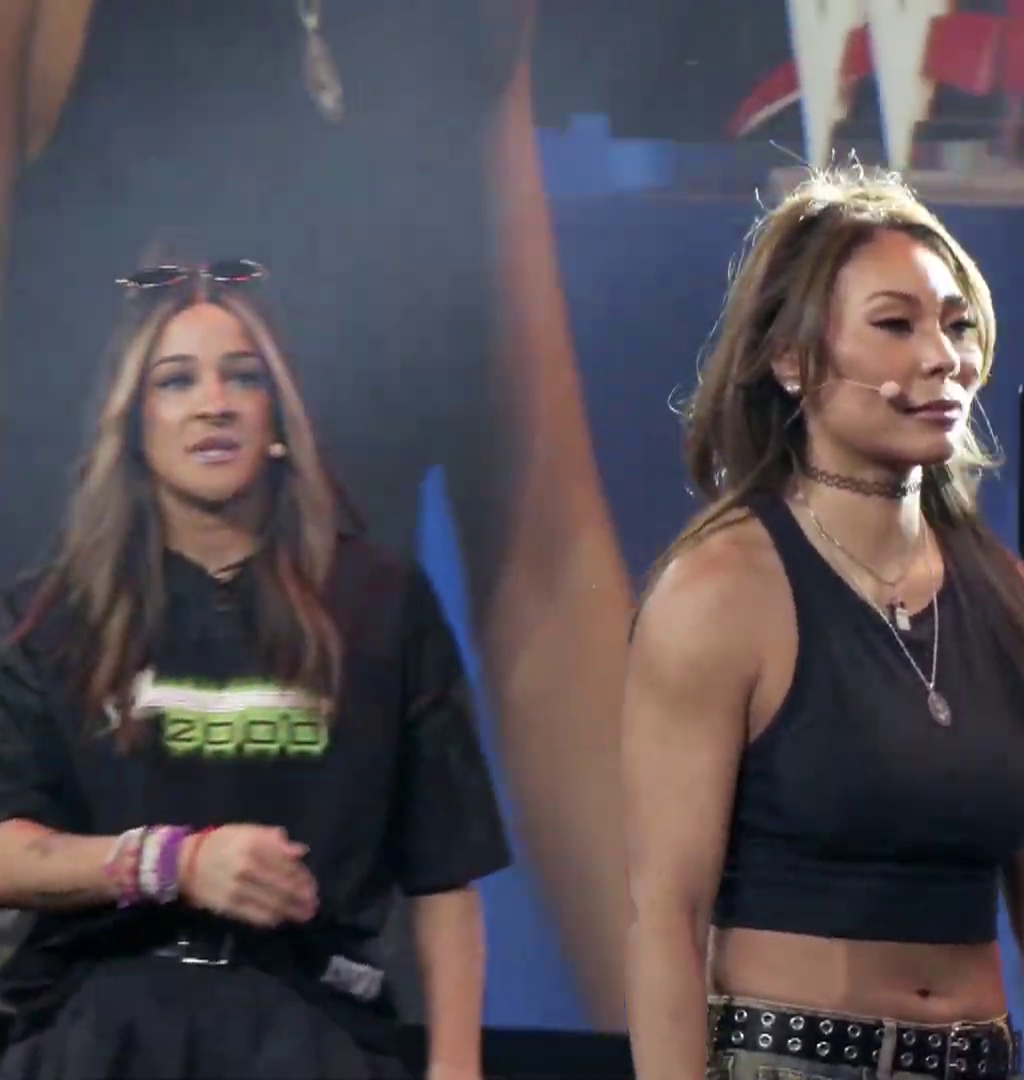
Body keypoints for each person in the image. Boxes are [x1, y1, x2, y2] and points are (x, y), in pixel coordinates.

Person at [0, 0, 631, 1022]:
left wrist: (672, 1035)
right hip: (71, 940)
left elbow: (547, 571)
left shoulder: (474, 28)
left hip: (332, 925)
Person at [621, 170, 1024, 1080]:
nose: (942, 358)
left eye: (957, 324)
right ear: (792, 359)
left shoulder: (1005, 597)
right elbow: (666, 917)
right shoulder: (720, 591)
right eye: (895, 325)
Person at [0, 266, 511, 1079]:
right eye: (177, 381)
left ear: (278, 415)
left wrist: (456, 1069)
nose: (216, 404)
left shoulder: (381, 602)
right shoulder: (51, 616)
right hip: (97, 1030)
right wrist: (177, 864)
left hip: (310, 1026)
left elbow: (446, 876)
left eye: (243, 377)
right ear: (133, 424)